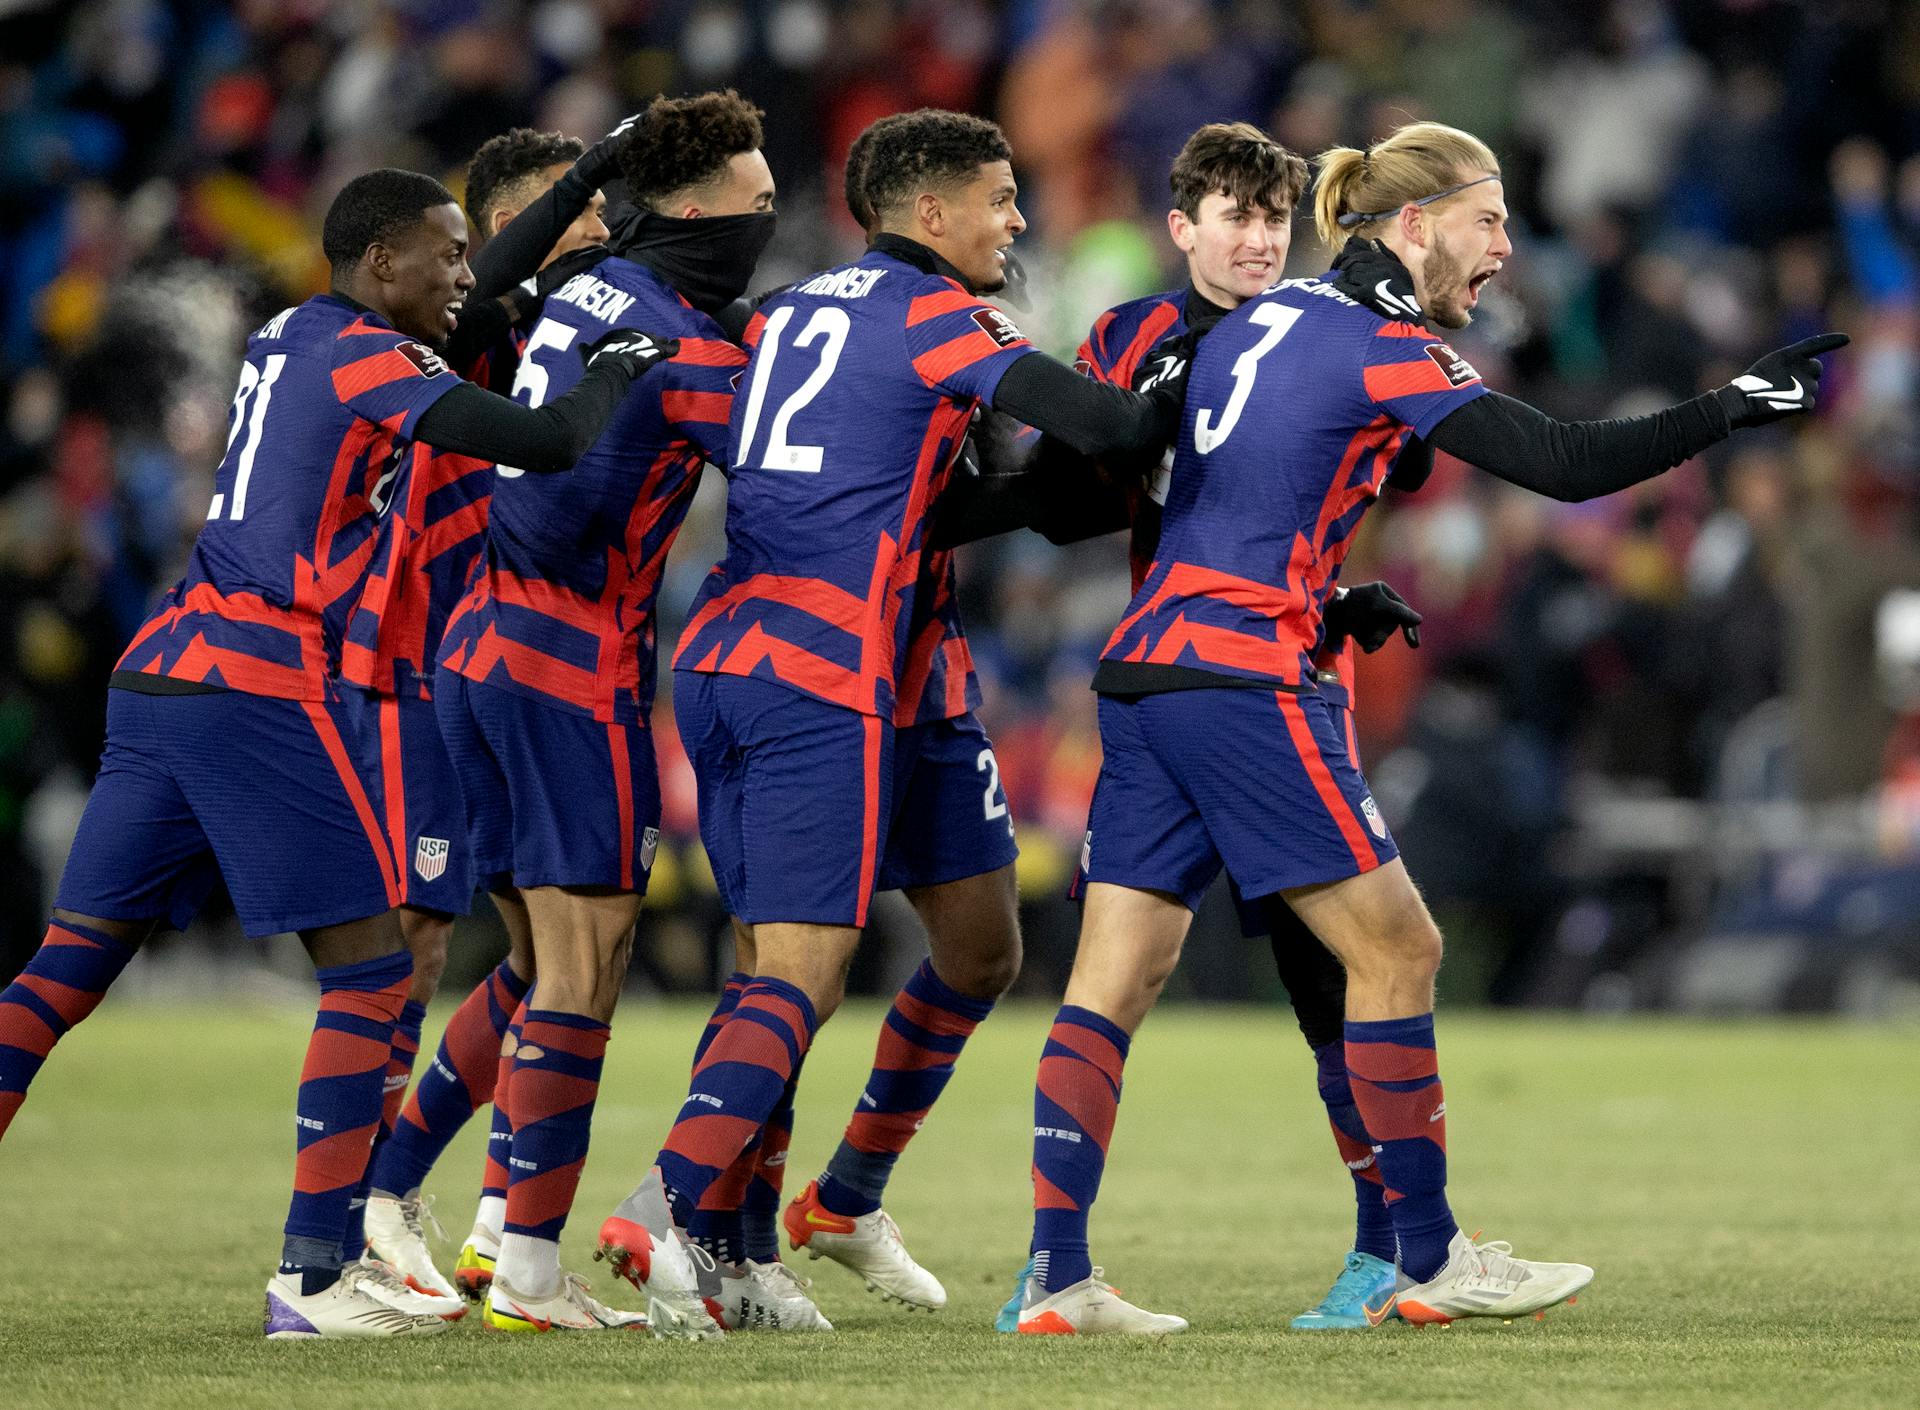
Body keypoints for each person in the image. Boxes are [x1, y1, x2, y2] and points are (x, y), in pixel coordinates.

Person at [1010, 118, 1843, 1334]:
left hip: (1145, 670)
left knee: (1110, 984)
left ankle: (1056, 1276)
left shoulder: (1253, 322)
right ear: (1413, 225)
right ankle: (1430, 1255)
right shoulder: (1375, 343)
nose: (1506, 243)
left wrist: (1330, 589)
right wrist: (1727, 406)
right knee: (1397, 952)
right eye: (1488, 219)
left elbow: (1218, 494)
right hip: (1249, 679)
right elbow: (1561, 463)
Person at [0, 167, 676, 1340]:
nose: (465, 275)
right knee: (371, 970)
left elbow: (485, 300)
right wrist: (615, 363)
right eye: (444, 255)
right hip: (258, 678)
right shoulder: (370, 359)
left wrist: (590, 177)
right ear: (382, 264)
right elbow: (547, 440)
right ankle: (312, 1274)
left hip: (159, 671)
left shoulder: (293, 333)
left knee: (66, 970)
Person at [593, 107, 1186, 1340]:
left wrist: (1054, 492)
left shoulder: (785, 314)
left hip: (826, 658)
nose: (1018, 221)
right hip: (826, 664)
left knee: (975, 948)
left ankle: (819, 1213)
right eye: (1000, 198)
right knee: (798, 971)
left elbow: (919, 501)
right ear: (930, 213)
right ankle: (678, 1214)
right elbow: (1112, 428)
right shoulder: (941, 318)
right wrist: (1182, 380)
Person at [934, 123, 1425, 1334]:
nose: (1258, 239)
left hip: (1267, 664)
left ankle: (1377, 1256)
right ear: (1183, 228)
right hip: (1211, 681)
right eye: (1234, 215)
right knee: (1162, 972)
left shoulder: (1326, 327)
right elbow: (1065, 501)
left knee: (1320, 979)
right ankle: (1391, 1255)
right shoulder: (1132, 337)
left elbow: (1396, 470)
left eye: (1275, 218)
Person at [419, 89, 774, 1335]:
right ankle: (523, 1267)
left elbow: (481, 296)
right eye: (755, 193)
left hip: (475, 642)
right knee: (585, 965)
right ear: (690, 207)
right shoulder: (686, 345)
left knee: (529, 962)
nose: (770, 211)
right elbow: (794, 465)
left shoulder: (577, 293)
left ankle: (419, 1206)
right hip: (573, 665)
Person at [346, 125, 623, 1306]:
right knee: (425, 942)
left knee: (530, 954)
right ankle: (368, 1201)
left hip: (499, 666)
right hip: (420, 659)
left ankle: (487, 1208)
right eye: (586, 223)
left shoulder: (553, 335)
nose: (607, 244)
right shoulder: (474, 331)